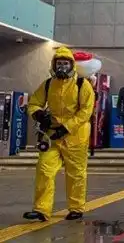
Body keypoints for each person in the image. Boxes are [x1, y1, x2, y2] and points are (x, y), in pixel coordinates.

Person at [23, 47, 96, 222]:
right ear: (53, 65)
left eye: (65, 63)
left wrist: (67, 127)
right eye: (59, 63)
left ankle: (76, 208)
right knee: (44, 169)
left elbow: (86, 111)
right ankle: (41, 209)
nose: (62, 67)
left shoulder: (82, 85)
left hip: (76, 136)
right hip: (52, 136)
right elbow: (34, 103)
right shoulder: (48, 84)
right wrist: (38, 114)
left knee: (76, 173)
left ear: (72, 65)